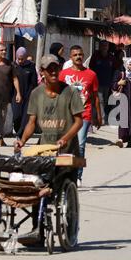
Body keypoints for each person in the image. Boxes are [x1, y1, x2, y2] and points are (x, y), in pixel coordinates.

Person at [14, 55, 84, 244]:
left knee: (67, 190)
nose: (53, 72)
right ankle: (38, 230)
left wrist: (65, 138)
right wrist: (22, 140)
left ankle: (70, 232)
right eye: (49, 69)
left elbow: (79, 121)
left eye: (56, 68)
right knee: (38, 187)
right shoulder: (36, 94)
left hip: (68, 152)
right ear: (42, 72)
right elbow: (31, 123)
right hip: (45, 152)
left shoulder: (70, 92)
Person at [59, 45, 103, 185]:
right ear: (70, 57)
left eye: (80, 54)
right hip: (66, 115)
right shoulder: (63, 74)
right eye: (75, 55)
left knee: (81, 145)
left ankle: (78, 176)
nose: (78, 57)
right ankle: (64, 173)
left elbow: (95, 97)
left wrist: (98, 115)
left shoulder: (92, 74)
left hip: (84, 114)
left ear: (83, 56)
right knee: (64, 145)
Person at [12, 47, 38, 140]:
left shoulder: (30, 66)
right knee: (16, 116)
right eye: (19, 58)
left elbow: (34, 82)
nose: (20, 60)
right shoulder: (13, 65)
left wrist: (33, 94)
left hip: (28, 95)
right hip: (16, 95)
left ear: (26, 57)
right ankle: (17, 130)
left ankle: (20, 134)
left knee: (25, 117)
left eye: (22, 58)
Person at [89, 40, 116, 123]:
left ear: (108, 47)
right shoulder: (95, 55)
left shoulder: (111, 57)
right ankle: (102, 118)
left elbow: (114, 69)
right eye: (103, 45)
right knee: (99, 100)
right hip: (97, 83)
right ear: (100, 46)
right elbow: (91, 68)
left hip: (107, 83)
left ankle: (98, 116)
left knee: (104, 100)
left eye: (106, 45)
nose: (104, 47)